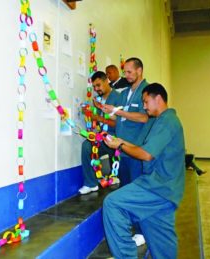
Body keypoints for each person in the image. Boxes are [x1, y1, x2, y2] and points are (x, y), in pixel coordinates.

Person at [103, 83, 186, 259]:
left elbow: (146, 155)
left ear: (158, 99)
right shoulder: (162, 121)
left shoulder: (167, 122)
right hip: (166, 191)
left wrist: (121, 145)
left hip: (157, 187)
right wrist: (119, 142)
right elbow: (144, 148)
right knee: (162, 242)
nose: (144, 106)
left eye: (146, 101)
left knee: (113, 203)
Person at [103, 57, 151, 246]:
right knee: (125, 189)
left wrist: (119, 112)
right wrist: (108, 112)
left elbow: (144, 117)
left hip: (135, 151)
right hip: (122, 151)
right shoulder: (124, 94)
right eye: (125, 72)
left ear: (139, 71)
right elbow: (119, 117)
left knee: (138, 192)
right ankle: (132, 226)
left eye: (129, 72)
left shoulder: (145, 92)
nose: (126, 75)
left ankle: (142, 231)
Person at [78, 71, 120, 195]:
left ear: (107, 80)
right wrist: (89, 114)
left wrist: (99, 118)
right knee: (87, 145)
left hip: (117, 139)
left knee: (120, 170)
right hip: (102, 138)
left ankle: (118, 176)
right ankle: (90, 184)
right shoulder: (97, 100)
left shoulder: (118, 98)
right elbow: (97, 123)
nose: (96, 89)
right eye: (94, 87)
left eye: (98, 85)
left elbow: (120, 123)